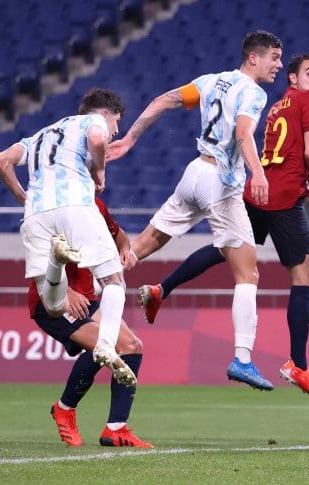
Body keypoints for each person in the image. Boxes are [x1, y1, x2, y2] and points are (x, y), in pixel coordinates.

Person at [133, 53, 309, 400]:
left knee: (224, 249)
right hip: (274, 194)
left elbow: (167, 100)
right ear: (293, 78)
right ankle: (294, 363)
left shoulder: (276, 104)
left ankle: (159, 288)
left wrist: (130, 138)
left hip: (236, 185)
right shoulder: (292, 98)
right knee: (299, 276)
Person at [106, 30, 283, 391]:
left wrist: (130, 139)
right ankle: (243, 359)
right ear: (254, 57)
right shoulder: (254, 93)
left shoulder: (211, 81)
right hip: (221, 184)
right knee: (247, 274)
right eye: (274, 58)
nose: (278, 65)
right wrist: (259, 172)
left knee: (143, 244)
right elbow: (244, 134)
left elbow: (163, 100)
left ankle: (91, 285)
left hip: (194, 173)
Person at [0, 88, 134, 380]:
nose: (116, 131)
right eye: (116, 122)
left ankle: (56, 261)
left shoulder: (40, 136)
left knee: (54, 307)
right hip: (74, 206)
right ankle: (106, 345)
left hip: (35, 216)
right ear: (104, 113)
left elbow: (0, 160)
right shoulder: (92, 122)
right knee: (113, 280)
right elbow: (97, 139)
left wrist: (23, 198)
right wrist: (100, 171)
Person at [37, 198, 151, 448]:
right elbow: (36, 258)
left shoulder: (95, 204)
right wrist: (65, 292)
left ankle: (116, 429)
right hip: (52, 298)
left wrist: (125, 249)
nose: (100, 182)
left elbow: (119, 235)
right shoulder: (49, 204)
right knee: (100, 345)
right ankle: (64, 409)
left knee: (131, 346)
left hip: (87, 298)